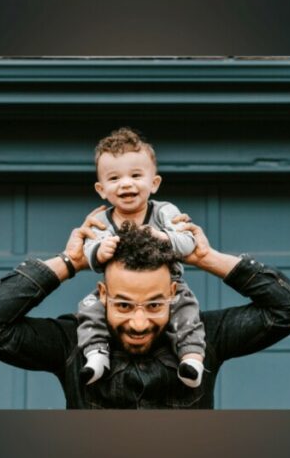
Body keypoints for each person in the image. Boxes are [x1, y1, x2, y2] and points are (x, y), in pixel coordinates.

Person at [0, 210, 290, 410]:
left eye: (155, 304)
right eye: (124, 305)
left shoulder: (206, 337)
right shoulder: (71, 343)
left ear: (174, 293)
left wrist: (206, 258)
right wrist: (70, 263)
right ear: (103, 294)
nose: (139, 322)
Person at [78, 127, 205, 389]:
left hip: (169, 285)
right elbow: (88, 251)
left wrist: (164, 237)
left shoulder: (164, 212)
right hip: (118, 291)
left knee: (187, 308)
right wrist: (98, 252)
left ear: (154, 183)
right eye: (114, 179)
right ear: (101, 189)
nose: (126, 183)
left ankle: (191, 358)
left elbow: (187, 241)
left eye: (136, 175)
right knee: (89, 307)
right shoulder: (101, 219)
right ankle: (96, 353)